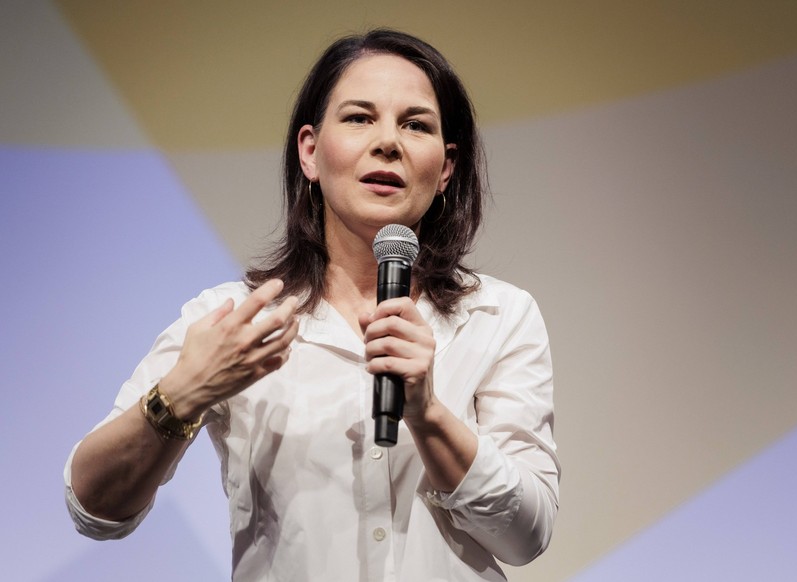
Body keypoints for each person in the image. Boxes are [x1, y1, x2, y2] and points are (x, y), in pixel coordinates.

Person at [65, 29, 559, 581]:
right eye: (358, 118)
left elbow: (526, 537)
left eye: (415, 124)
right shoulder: (235, 318)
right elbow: (93, 509)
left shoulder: (499, 316)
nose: (388, 142)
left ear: (444, 169)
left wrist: (429, 414)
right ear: (310, 151)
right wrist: (183, 394)